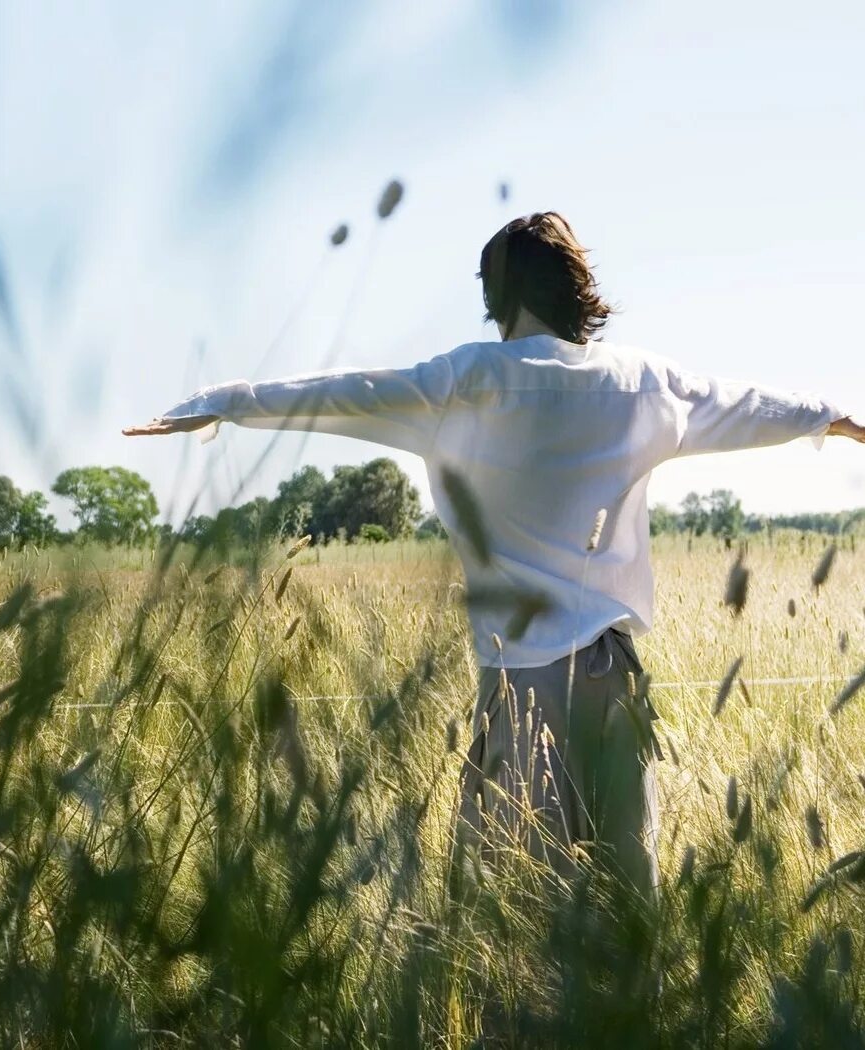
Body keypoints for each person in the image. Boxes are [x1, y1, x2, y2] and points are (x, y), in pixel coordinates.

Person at [123, 211, 864, 902]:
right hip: (616, 680)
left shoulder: (467, 380)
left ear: (496, 294)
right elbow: (752, 403)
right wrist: (836, 419)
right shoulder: (641, 382)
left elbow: (341, 393)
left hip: (524, 688)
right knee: (631, 900)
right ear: (579, 291)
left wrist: (222, 401)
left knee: (506, 902)